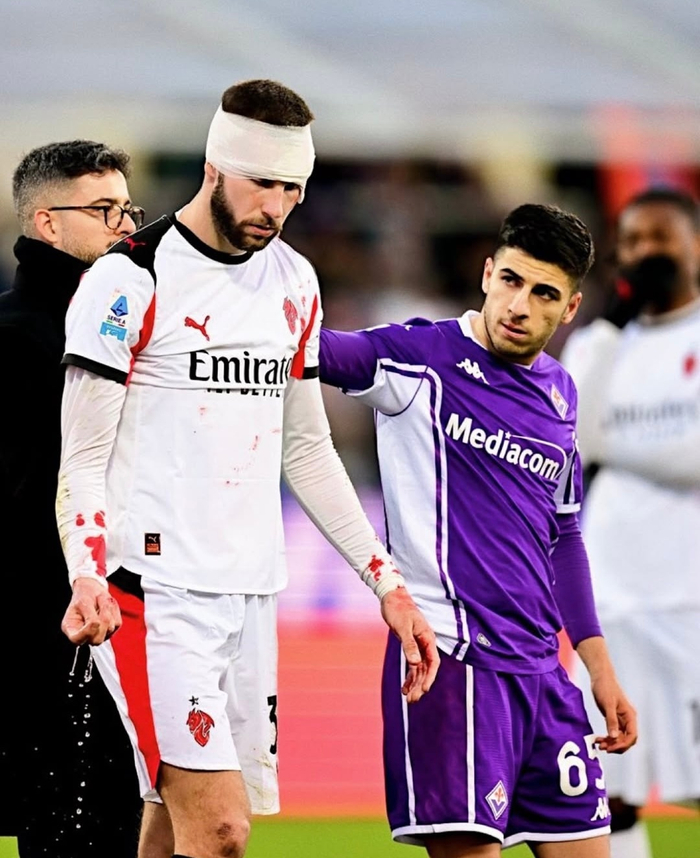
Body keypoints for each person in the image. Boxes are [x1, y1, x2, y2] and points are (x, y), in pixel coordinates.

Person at [55, 79, 439, 858]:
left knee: (172, 821)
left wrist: (387, 584)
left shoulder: (294, 281)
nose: (277, 206)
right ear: (213, 166)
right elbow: (84, 455)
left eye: (293, 188)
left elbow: (307, 447)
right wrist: (86, 572)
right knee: (223, 830)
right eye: (262, 182)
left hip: (250, 591)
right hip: (150, 593)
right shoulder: (129, 280)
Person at [318, 203, 638, 857]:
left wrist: (598, 669)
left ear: (570, 309)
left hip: (545, 675)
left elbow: (564, 537)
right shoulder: (419, 357)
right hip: (453, 664)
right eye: (512, 280)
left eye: (544, 293)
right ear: (488, 274)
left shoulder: (560, 394)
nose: (519, 305)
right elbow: (313, 352)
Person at [0, 140, 144, 855]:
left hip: (103, 613)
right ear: (47, 223)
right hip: (42, 624)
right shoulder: (14, 336)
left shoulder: (136, 327)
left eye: (128, 208)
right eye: (104, 209)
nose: (126, 226)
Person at [560, 187, 700, 858]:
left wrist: (612, 448)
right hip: (613, 599)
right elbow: (571, 440)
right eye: (634, 240)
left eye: (661, 237)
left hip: (690, 600)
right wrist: (611, 329)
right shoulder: (599, 343)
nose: (647, 252)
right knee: (604, 790)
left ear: (694, 245)